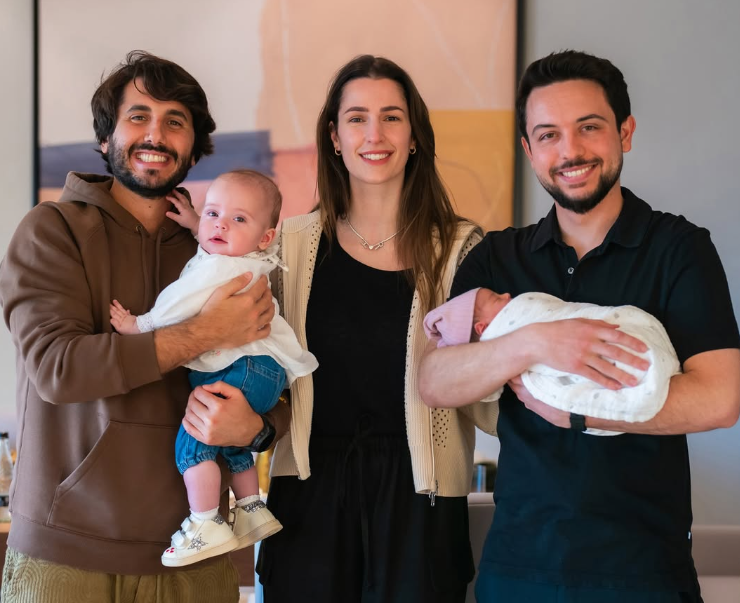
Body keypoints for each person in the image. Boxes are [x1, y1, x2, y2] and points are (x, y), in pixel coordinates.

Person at [419, 50, 740, 603]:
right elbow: (436, 381)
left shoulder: (679, 249)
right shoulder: (497, 258)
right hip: (517, 567)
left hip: (643, 571)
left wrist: (576, 413)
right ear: (529, 149)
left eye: (589, 127)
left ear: (625, 132)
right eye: (548, 135)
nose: (570, 151)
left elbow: (720, 398)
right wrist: (536, 342)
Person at [177, 54, 496, 602]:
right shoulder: (287, 246)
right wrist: (251, 429)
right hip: (308, 499)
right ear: (334, 136)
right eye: (357, 118)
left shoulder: (461, 249)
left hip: (421, 503)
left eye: (392, 117)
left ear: (414, 135)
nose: (375, 134)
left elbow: (486, 392)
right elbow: (237, 338)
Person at [0, 51, 289, 603]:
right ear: (107, 136)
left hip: (195, 554)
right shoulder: (52, 231)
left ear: (194, 146)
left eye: (175, 121)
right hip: (65, 556)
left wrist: (256, 428)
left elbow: (274, 376)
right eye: (138, 117)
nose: (156, 134)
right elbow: (57, 369)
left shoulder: (224, 251)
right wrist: (203, 332)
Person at [109, 169, 317, 567]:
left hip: (241, 367)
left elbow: (181, 299)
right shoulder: (248, 258)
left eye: (238, 218)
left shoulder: (218, 270)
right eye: (212, 213)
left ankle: (205, 522)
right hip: (263, 374)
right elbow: (214, 241)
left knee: (195, 440)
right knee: (231, 442)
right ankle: (252, 509)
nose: (220, 224)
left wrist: (141, 325)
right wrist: (195, 223)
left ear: (265, 237)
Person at [424, 287, 681, 435]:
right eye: (495, 299)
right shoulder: (492, 254)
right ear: (482, 328)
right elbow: (430, 385)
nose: (507, 294)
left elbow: (710, 406)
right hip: (526, 504)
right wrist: (534, 341)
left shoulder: (675, 243)